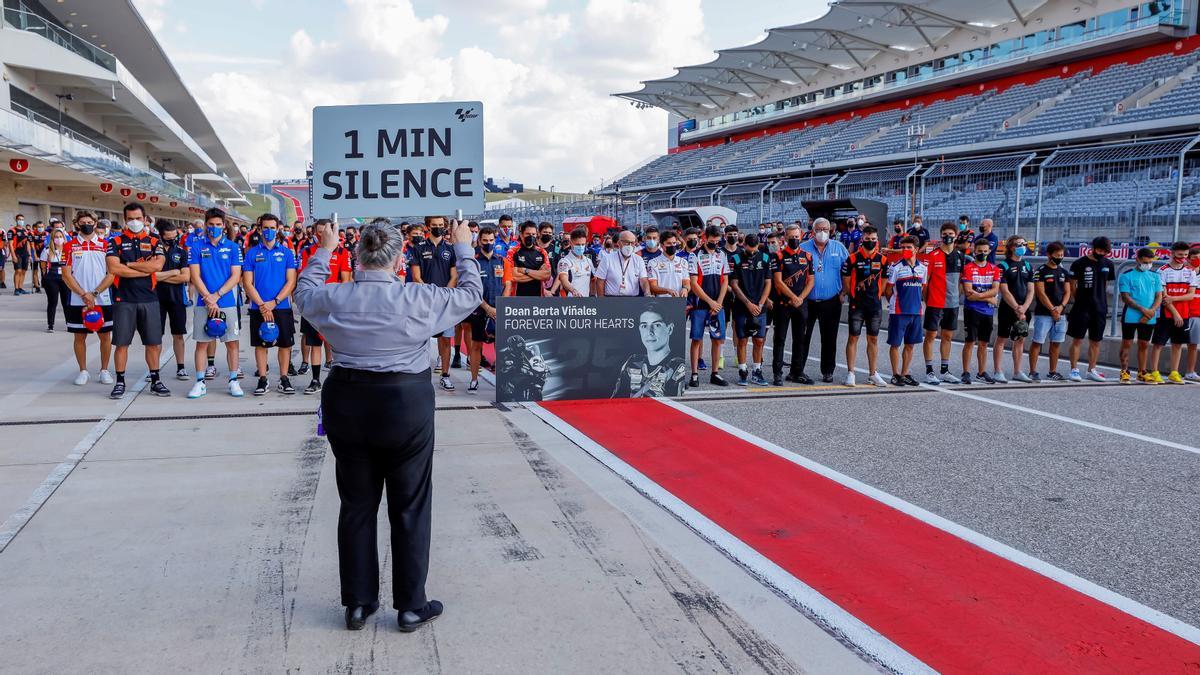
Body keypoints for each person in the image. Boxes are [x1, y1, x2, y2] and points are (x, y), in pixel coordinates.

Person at [294, 218, 481, 634]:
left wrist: (324, 249)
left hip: (348, 399)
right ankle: (411, 605)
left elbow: (302, 292)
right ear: (399, 259)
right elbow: (471, 293)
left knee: (357, 504)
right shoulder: (420, 297)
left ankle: (358, 604)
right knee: (410, 505)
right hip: (404, 402)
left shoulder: (333, 297)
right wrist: (464, 247)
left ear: (357, 256)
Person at [106, 203, 168, 399]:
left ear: (145, 219)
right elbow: (115, 269)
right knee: (121, 343)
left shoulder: (154, 240)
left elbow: (157, 266)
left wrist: (129, 264)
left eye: (138, 218)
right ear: (125, 220)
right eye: (130, 218)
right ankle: (120, 382)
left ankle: (155, 380)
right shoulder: (115, 241)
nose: (135, 222)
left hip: (149, 298)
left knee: (153, 343)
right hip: (123, 299)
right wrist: (143, 268)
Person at [187, 208, 244, 399]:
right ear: (205, 225)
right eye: (211, 224)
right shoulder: (196, 247)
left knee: (232, 343)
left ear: (224, 226)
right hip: (204, 303)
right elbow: (195, 275)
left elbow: (236, 275)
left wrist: (217, 296)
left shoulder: (233, 247)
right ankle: (200, 382)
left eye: (218, 225)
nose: (214, 228)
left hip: (226, 301)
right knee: (202, 343)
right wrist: (208, 298)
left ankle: (233, 380)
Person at [243, 215, 299, 396]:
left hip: (281, 306)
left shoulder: (286, 253)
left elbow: (291, 281)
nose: (269, 231)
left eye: (272, 228)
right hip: (258, 308)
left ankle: (284, 378)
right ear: (259, 229)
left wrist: (274, 303)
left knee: (284, 345)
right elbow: (247, 283)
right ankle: (262, 379)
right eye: (265, 228)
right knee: (261, 345)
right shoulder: (251, 253)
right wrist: (261, 305)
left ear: (278, 229)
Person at [61, 212, 115, 386]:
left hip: (103, 298)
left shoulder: (106, 244)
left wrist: (95, 293)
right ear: (77, 224)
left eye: (90, 222)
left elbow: (112, 273)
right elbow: (66, 275)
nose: (87, 225)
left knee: (105, 336)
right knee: (79, 337)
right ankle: (83, 370)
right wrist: (84, 294)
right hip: (78, 300)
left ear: (95, 223)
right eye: (83, 222)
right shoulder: (69, 245)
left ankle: (104, 370)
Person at [410, 215, 459, 390]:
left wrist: (444, 293)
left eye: (441, 225)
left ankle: (445, 376)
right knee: (421, 340)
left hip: (445, 301)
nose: (438, 228)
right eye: (434, 225)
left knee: (445, 340)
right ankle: (421, 376)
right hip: (424, 301)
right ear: (427, 227)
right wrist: (431, 293)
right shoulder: (418, 247)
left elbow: (454, 275)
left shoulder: (451, 249)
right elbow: (416, 276)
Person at [798, 217, 849, 383]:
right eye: (819, 229)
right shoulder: (803, 248)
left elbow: (847, 273)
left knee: (829, 337)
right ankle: (798, 369)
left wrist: (844, 293)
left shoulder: (839, 248)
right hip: (807, 300)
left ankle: (828, 371)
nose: (822, 233)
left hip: (831, 301)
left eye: (825, 230)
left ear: (831, 231)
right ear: (813, 231)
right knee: (802, 336)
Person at [920, 222, 966, 384]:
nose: (948, 237)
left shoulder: (961, 256)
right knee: (931, 335)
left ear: (956, 236)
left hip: (952, 304)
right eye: (945, 234)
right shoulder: (933, 256)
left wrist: (956, 296)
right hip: (935, 303)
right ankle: (929, 370)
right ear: (941, 236)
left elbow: (962, 281)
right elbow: (924, 283)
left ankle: (945, 370)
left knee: (947, 336)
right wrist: (927, 301)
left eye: (951, 234)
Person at [770, 224, 815, 386]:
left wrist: (800, 298)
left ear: (801, 236)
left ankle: (797, 372)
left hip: (801, 304)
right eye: (791, 237)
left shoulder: (808, 256)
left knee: (800, 339)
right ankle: (777, 373)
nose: (794, 240)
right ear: (785, 238)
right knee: (780, 338)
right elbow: (778, 282)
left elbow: (811, 280)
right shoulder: (778, 256)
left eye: (796, 237)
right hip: (783, 304)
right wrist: (793, 298)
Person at [843, 225, 888, 386]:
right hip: (857, 305)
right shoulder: (853, 258)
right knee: (853, 337)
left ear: (877, 240)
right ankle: (850, 373)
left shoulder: (882, 259)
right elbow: (846, 282)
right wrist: (853, 296)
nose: (870, 242)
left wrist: (876, 296)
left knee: (873, 339)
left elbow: (884, 282)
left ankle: (873, 373)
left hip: (875, 306)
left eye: (873, 239)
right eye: (867, 239)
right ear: (862, 239)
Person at [612, 303, 688, 397]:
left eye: (656, 325)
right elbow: (616, 401)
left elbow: (676, 408)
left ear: (670, 328)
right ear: (639, 329)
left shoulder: (677, 368)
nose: (649, 332)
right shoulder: (633, 362)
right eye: (644, 326)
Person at [1066, 236, 1115, 382]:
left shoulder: (1108, 264)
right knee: (1077, 340)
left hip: (1100, 308)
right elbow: (1072, 285)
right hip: (1081, 308)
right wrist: (1080, 299)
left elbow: (1104, 284)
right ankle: (1074, 370)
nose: (1101, 253)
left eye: (1104, 251)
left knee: (1096, 341)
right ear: (1092, 248)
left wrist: (1099, 299)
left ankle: (1091, 369)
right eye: (1099, 250)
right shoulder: (1079, 263)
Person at [688, 225, 731, 387]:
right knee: (696, 339)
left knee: (717, 339)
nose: (715, 244)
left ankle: (715, 373)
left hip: (717, 305)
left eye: (718, 241)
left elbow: (725, 280)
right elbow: (693, 284)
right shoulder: (694, 255)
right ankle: (694, 374)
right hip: (700, 305)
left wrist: (718, 302)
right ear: (705, 238)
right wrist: (710, 301)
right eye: (712, 241)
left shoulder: (722, 254)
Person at [1148, 241, 1196, 384]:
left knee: (1178, 344)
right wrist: (1175, 313)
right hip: (1166, 315)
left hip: (1184, 314)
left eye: (1186, 255)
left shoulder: (1190, 271)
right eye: (1180, 254)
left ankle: (1174, 373)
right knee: (1158, 344)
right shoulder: (1162, 270)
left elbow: (1190, 295)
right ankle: (1154, 372)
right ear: (1172, 253)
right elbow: (1163, 297)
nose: (1183, 257)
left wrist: (1174, 298)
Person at [884, 236, 929, 386]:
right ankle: (895, 374)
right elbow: (888, 290)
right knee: (895, 344)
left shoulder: (923, 268)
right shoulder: (895, 267)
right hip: (898, 312)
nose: (905, 250)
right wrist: (893, 304)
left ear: (916, 249)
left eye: (909, 247)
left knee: (910, 345)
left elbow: (923, 289)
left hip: (916, 312)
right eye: (903, 247)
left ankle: (905, 373)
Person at [728, 233, 771, 386]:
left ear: (758, 245)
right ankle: (743, 371)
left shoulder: (765, 258)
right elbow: (734, 284)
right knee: (742, 340)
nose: (752, 252)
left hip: (760, 307)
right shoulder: (736, 259)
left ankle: (757, 371)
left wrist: (760, 304)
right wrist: (748, 304)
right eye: (748, 248)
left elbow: (768, 283)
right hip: (742, 306)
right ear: (744, 245)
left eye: (754, 249)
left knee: (759, 340)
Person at [467, 226, 506, 394]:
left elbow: (508, 284)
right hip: (479, 309)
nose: (488, 243)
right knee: (476, 346)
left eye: (491, 240)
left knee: (501, 345)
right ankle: (474, 380)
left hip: (498, 309)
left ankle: (502, 380)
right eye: (485, 241)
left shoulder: (501, 260)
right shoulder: (474, 261)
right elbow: (471, 289)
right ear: (479, 241)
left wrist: (500, 305)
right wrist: (487, 307)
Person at [1028, 242, 1072, 382]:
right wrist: (1052, 308)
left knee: (1056, 343)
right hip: (1044, 313)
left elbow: (1067, 292)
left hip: (1060, 314)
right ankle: (1032, 371)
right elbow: (1040, 293)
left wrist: (1061, 307)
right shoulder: (1041, 271)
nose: (1060, 257)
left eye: (1061, 255)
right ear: (1049, 254)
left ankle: (1052, 371)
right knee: (1037, 342)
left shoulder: (1064, 272)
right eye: (1057, 255)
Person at [1117, 248, 1162, 384]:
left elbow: (1159, 296)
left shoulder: (1155, 276)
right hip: (1131, 315)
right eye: (1145, 262)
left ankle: (1142, 372)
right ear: (1137, 259)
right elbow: (1126, 297)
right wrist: (1144, 310)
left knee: (1144, 344)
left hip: (1149, 316)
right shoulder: (1126, 275)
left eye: (1150, 262)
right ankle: (1124, 371)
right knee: (1127, 343)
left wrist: (1151, 311)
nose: (1147, 264)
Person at [960, 238, 1001, 384]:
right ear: (973, 251)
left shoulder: (994, 269)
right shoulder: (968, 268)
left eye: (985, 251)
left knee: (983, 343)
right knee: (970, 341)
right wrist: (988, 298)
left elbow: (996, 289)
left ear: (989, 251)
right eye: (979, 251)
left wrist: (980, 296)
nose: (982, 254)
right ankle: (966, 372)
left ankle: (981, 372)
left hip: (988, 313)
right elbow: (969, 293)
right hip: (972, 310)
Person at [154, 222, 192, 381]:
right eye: (168, 238)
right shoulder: (153, 251)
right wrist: (173, 273)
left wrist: (162, 276)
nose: (172, 240)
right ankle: (154, 370)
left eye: (174, 237)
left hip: (176, 299)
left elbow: (185, 277)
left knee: (178, 334)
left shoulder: (181, 252)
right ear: (161, 236)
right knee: (156, 336)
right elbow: (152, 276)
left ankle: (181, 368)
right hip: (155, 299)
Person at [994, 235, 1035, 383]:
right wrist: (1017, 307)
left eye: (1024, 244)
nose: (1022, 246)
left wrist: (1024, 308)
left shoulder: (1028, 266)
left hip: (1024, 309)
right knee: (1002, 339)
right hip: (1008, 308)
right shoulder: (1002, 266)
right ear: (1011, 247)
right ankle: (998, 371)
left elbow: (1031, 290)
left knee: (1020, 340)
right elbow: (1004, 291)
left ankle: (1017, 371)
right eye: (1019, 244)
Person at [596, 229, 649, 297]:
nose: (629, 245)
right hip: (612, 300)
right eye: (626, 242)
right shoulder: (607, 259)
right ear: (619, 243)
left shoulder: (638, 260)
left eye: (632, 243)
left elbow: (643, 280)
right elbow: (600, 282)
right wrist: (601, 302)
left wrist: (647, 292)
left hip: (632, 300)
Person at [504, 221, 550, 298]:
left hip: (538, 297)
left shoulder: (542, 252)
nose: (531, 236)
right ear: (521, 235)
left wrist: (525, 270)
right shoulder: (512, 252)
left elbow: (547, 275)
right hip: (517, 298)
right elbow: (513, 276)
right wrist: (538, 274)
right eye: (528, 234)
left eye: (533, 234)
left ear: (537, 234)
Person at [40, 228, 70, 332]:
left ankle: (69, 324)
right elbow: (43, 265)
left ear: (64, 238)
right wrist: (45, 277)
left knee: (66, 302)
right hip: (52, 278)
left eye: (60, 237)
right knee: (53, 302)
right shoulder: (47, 249)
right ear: (53, 238)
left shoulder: (68, 249)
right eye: (56, 237)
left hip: (65, 278)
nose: (59, 239)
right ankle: (50, 325)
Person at [647, 230, 690, 298]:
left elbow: (686, 283)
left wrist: (685, 289)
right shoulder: (653, 263)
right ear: (662, 245)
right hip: (661, 302)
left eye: (674, 243)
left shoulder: (683, 262)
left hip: (678, 301)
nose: (672, 245)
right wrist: (667, 291)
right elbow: (652, 287)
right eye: (669, 243)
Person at [556, 228, 595, 298]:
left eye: (583, 244)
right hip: (570, 301)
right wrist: (573, 290)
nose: (580, 247)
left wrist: (592, 295)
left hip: (586, 302)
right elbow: (563, 280)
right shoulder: (564, 262)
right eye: (577, 244)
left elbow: (593, 280)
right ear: (571, 243)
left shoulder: (588, 261)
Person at [1187, 246, 1200, 381]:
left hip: (1197, 314)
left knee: (1194, 344)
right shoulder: (1185, 272)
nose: (1197, 260)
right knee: (1176, 343)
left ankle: (1190, 371)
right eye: (1194, 258)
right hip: (1184, 313)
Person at [10, 215, 32, 295]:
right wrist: (13, 255)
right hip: (17, 253)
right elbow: (10, 244)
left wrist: (29, 255)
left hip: (25, 254)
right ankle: (16, 289)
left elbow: (28, 243)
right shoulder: (12, 231)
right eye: (19, 219)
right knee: (18, 270)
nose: (21, 221)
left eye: (22, 219)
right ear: (16, 220)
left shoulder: (26, 231)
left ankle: (20, 288)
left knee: (23, 271)